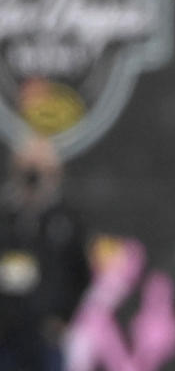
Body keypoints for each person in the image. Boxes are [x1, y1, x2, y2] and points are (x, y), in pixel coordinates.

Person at [0, 135, 90, 371]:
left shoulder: (65, 222)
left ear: (55, 174)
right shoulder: (5, 217)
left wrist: (63, 317)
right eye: (28, 171)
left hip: (45, 334)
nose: (33, 180)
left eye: (40, 172)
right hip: (6, 334)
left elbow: (81, 275)